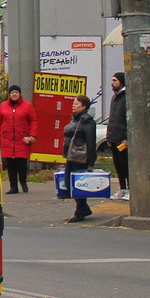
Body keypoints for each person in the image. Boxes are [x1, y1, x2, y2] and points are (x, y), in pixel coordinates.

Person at [0, 84, 36, 194]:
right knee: (10, 164)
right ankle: (13, 187)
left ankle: (23, 182)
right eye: (12, 92)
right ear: (9, 94)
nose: (14, 94)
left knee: (22, 163)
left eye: (16, 92)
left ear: (20, 94)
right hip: (7, 139)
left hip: (22, 139)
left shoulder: (27, 106)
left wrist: (32, 135)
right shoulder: (3, 106)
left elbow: (33, 121)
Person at [64, 95, 100, 223]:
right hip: (71, 156)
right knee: (69, 183)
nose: (73, 106)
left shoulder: (87, 120)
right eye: (73, 103)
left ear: (84, 107)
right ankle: (83, 209)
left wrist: (91, 162)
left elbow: (91, 142)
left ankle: (80, 211)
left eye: (76, 104)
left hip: (80, 157)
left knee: (77, 185)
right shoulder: (75, 119)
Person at [106, 72, 130, 201]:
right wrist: (109, 137)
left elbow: (128, 119)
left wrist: (127, 137)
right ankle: (122, 188)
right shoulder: (115, 97)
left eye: (115, 80)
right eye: (112, 80)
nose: (112, 83)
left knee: (126, 164)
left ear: (121, 81)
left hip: (122, 138)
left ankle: (131, 189)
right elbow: (112, 118)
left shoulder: (126, 97)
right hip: (114, 137)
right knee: (118, 164)